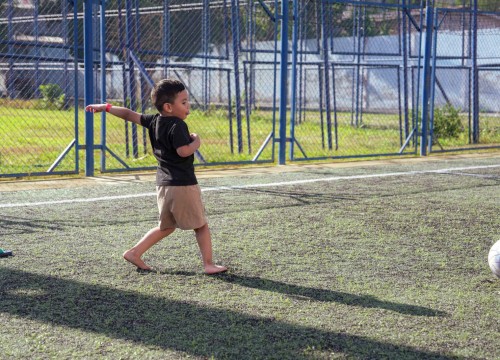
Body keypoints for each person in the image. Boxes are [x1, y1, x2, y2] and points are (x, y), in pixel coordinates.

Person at [85, 79, 227, 275]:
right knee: (201, 225)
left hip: (163, 185)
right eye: (184, 102)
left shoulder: (154, 121)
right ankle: (209, 264)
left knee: (166, 226)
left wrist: (105, 107)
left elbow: (128, 114)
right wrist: (196, 142)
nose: (188, 106)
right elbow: (183, 151)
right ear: (168, 107)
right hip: (183, 185)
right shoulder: (177, 125)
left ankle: (134, 252)